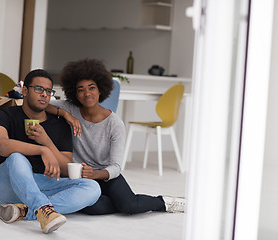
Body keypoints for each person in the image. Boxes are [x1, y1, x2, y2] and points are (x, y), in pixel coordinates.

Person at [46, 58, 186, 215]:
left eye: (92, 88)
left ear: (100, 90)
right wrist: (64, 114)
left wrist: (95, 174)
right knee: (92, 207)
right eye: (81, 89)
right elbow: (43, 104)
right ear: (74, 94)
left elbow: (116, 167)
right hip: (82, 177)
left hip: (106, 175)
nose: (87, 93)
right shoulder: (70, 108)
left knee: (130, 206)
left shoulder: (115, 124)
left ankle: (165, 202)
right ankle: (115, 201)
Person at [0, 69, 101, 234]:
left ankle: (25, 210)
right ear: (25, 91)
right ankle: (41, 208)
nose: (44, 94)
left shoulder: (60, 125)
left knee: (92, 188)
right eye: (38, 89)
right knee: (17, 157)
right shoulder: (4, 115)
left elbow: (65, 169)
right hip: (4, 187)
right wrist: (41, 150)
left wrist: (47, 143)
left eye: (48, 91)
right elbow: (0, 145)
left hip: (40, 185)